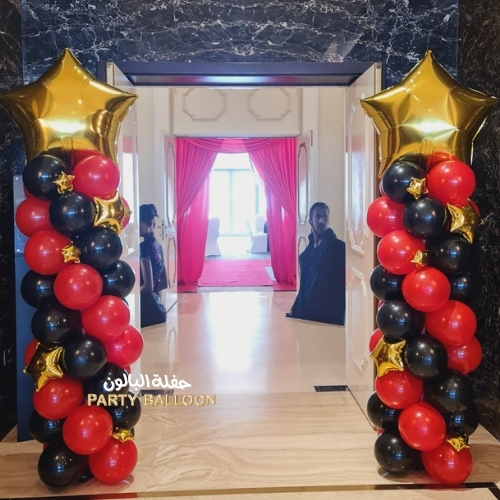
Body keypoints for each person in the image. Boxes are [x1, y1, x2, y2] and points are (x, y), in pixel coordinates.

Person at [286, 202, 346, 325]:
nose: (321, 221)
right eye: (317, 217)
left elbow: (340, 288)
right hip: (309, 316)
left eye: (325, 217)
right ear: (310, 221)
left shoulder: (339, 249)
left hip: (330, 318)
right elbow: (304, 288)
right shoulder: (306, 256)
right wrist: (295, 310)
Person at [139, 204, 167, 328]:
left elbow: (147, 287)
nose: (138, 225)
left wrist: (132, 295)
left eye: (140, 222)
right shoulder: (158, 246)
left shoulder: (143, 248)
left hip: (147, 311)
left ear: (150, 222)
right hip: (160, 309)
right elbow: (163, 283)